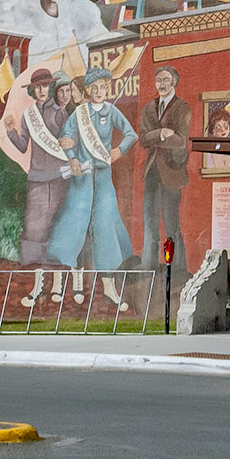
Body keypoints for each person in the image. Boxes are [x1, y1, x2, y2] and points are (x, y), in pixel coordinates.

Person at [0, 70, 81, 308]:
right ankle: (39, 284)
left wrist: (71, 144)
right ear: (33, 90)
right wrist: (11, 130)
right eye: (38, 87)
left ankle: (58, 285)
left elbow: (71, 142)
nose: (41, 90)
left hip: (59, 177)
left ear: (50, 88)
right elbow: (22, 147)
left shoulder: (61, 113)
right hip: (37, 179)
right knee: (35, 232)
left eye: (45, 86)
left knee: (56, 231)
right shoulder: (28, 115)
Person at [48, 75, 139, 303]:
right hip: (81, 177)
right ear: (88, 90)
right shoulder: (79, 113)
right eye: (94, 88)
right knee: (72, 224)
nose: (99, 91)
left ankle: (109, 286)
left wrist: (119, 150)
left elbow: (131, 134)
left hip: (103, 177)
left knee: (105, 227)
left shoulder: (112, 111)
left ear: (108, 89)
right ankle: (60, 282)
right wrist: (72, 158)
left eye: (103, 87)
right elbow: (65, 137)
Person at [134, 65, 191, 272]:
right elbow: (143, 139)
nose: (162, 84)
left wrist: (162, 136)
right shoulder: (149, 108)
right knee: (149, 221)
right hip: (152, 173)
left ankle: (177, 268)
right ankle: (148, 264)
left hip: (172, 173)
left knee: (171, 223)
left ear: (174, 81)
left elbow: (180, 140)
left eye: (166, 80)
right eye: (159, 80)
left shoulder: (182, 107)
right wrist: (162, 133)